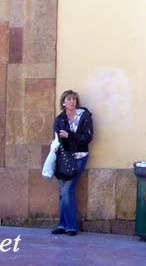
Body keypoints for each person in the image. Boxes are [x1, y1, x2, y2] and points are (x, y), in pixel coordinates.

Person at [51, 89, 93, 235]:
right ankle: (62, 224)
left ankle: (71, 226)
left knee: (67, 189)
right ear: (63, 102)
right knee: (63, 191)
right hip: (64, 158)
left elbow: (87, 138)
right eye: (69, 99)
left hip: (80, 157)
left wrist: (70, 135)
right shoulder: (60, 119)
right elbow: (57, 140)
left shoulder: (85, 116)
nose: (72, 102)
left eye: (74, 99)